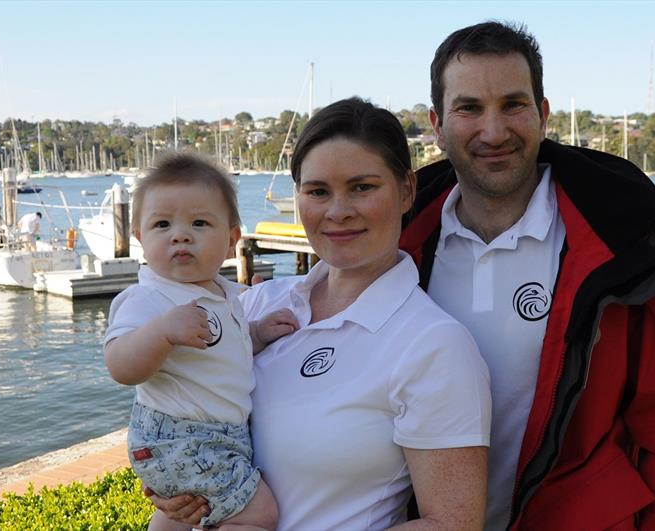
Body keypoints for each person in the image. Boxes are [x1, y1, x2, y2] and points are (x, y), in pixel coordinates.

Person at [399, 21, 655, 529]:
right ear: (437, 123)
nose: (493, 131)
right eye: (469, 108)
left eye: (513, 104)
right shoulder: (396, 244)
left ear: (544, 114)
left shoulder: (626, 245)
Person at [150, 98, 492, 530]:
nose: (338, 211)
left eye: (362, 187)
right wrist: (171, 475)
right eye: (317, 191)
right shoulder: (254, 305)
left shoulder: (433, 345)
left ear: (407, 190)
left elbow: (453, 524)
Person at [104, 153, 297, 531]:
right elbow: (119, 366)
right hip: (183, 435)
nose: (180, 234)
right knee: (258, 514)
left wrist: (257, 332)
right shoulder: (149, 299)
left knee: (183, 512)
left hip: (210, 436)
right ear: (141, 239)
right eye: (162, 224)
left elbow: (227, 352)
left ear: (231, 240)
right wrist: (160, 333)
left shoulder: (224, 295)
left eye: (199, 222)